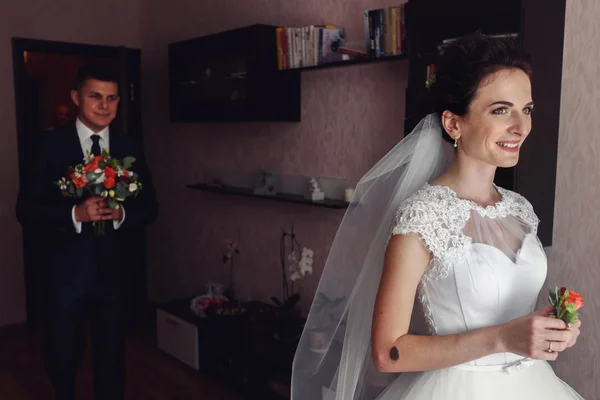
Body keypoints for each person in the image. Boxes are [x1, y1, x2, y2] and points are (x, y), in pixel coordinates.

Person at [291, 33, 584, 399]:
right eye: (500, 110)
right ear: (453, 124)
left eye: (526, 109)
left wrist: (547, 329)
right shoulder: (421, 216)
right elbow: (387, 352)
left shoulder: (520, 210)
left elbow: (512, 310)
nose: (520, 127)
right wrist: (502, 337)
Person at [16, 63, 158, 400]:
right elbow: (25, 210)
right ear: (76, 97)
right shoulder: (49, 145)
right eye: (96, 96)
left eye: (112, 98)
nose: (104, 105)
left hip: (114, 273)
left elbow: (151, 207)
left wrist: (122, 211)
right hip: (64, 273)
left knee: (112, 357)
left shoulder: (129, 146)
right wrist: (75, 213)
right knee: (61, 354)